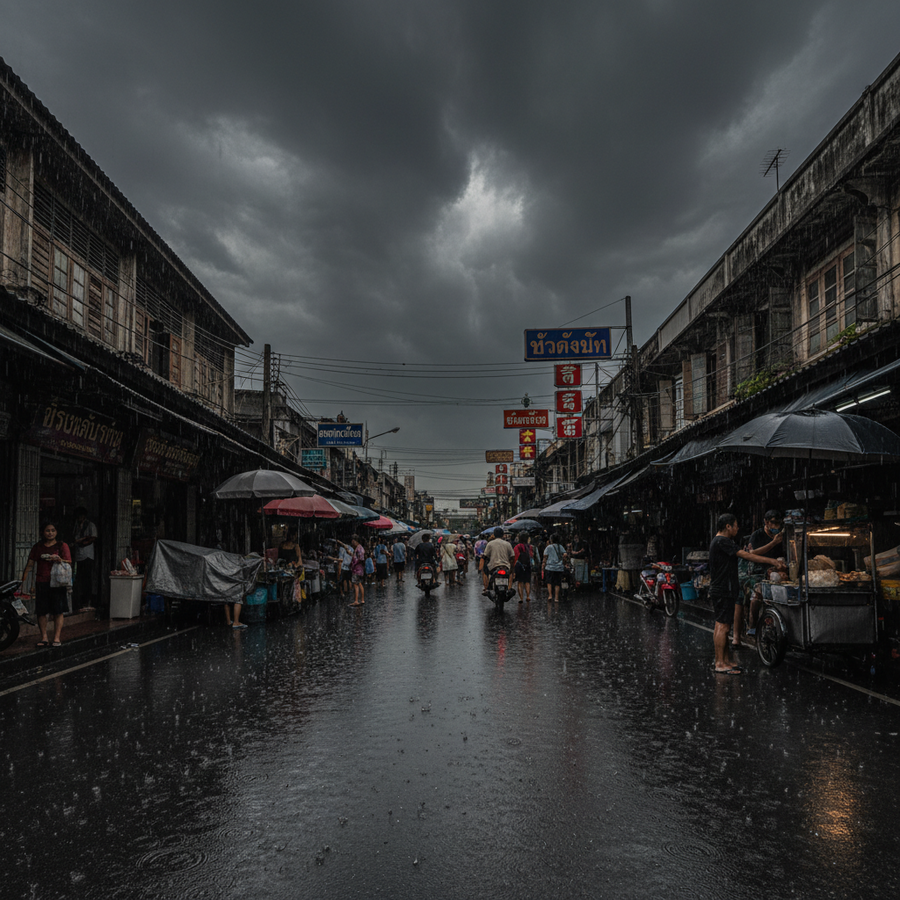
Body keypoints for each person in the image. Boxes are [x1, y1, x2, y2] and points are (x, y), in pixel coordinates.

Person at [709, 513, 784, 674]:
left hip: (721, 589)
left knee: (721, 625)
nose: (737, 529)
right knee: (723, 626)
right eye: (735, 525)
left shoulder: (720, 542)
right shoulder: (723, 541)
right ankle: (720, 663)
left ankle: (724, 660)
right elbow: (747, 556)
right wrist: (772, 561)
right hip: (724, 589)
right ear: (728, 526)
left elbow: (751, 553)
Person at [20, 521, 72, 647]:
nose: (50, 533)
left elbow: (69, 562)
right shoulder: (38, 547)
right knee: (42, 611)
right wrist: (23, 582)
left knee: (58, 610)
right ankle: (44, 637)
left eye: (53, 530)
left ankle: (56, 637)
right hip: (41, 581)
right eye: (48, 530)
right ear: (43, 532)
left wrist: (60, 560)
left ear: (56, 532)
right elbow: (30, 564)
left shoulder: (62, 546)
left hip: (58, 582)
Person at [741, 510, 784, 641]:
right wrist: (773, 543)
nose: (776, 526)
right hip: (757, 572)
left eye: (778, 523)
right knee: (757, 595)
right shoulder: (757, 535)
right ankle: (752, 627)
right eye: (773, 523)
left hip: (777, 571)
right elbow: (752, 554)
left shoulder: (782, 535)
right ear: (766, 522)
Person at [71, 507, 97, 612]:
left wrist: (84, 542)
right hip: (78, 555)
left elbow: (93, 537)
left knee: (87, 578)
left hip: (87, 554)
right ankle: (79, 599)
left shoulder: (90, 525)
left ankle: (87, 599)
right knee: (78, 578)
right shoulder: (76, 526)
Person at [482, 527, 515, 594]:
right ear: (503, 535)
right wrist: (511, 568)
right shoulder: (507, 544)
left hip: (493, 567)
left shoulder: (490, 544)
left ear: (494, 534)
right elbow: (512, 557)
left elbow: (485, 556)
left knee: (486, 571)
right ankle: (509, 588)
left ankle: (488, 588)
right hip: (506, 566)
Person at [542, 533, 567, 603]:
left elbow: (545, 557)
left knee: (549, 581)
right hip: (559, 567)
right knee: (557, 582)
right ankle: (556, 597)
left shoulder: (548, 547)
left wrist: (543, 566)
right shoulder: (560, 546)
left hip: (549, 567)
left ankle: (550, 595)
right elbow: (565, 554)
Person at [513, 534, 533, 603]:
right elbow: (531, 555)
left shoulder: (517, 547)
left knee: (520, 582)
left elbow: (515, 557)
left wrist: (513, 568)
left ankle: (521, 598)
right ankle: (528, 596)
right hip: (527, 565)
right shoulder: (529, 547)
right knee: (527, 581)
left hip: (519, 565)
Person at [349, 534, 366, 606]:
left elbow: (360, 559)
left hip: (357, 569)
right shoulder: (360, 548)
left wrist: (354, 564)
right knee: (359, 583)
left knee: (355, 584)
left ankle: (356, 600)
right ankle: (362, 600)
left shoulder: (359, 549)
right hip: (360, 569)